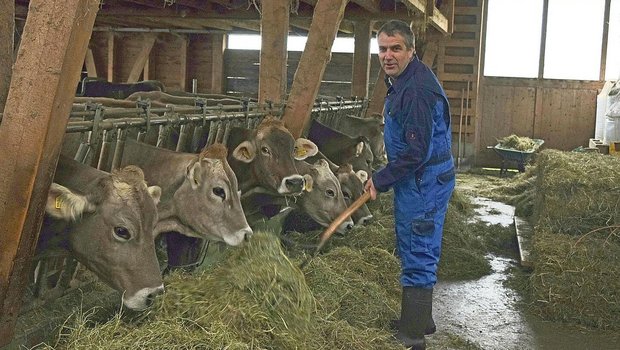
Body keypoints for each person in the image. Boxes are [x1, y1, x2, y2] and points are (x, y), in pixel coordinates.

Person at [364, 20, 455, 350]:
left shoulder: (415, 91)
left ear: (411, 50)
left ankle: (413, 337)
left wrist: (381, 179)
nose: (388, 55)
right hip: (426, 175)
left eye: (396, 48)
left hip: (422, 179)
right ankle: (420, 318)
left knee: (418, 248)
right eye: (383, 49)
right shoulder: (405, 78)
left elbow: (416, 152)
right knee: (422, 243)